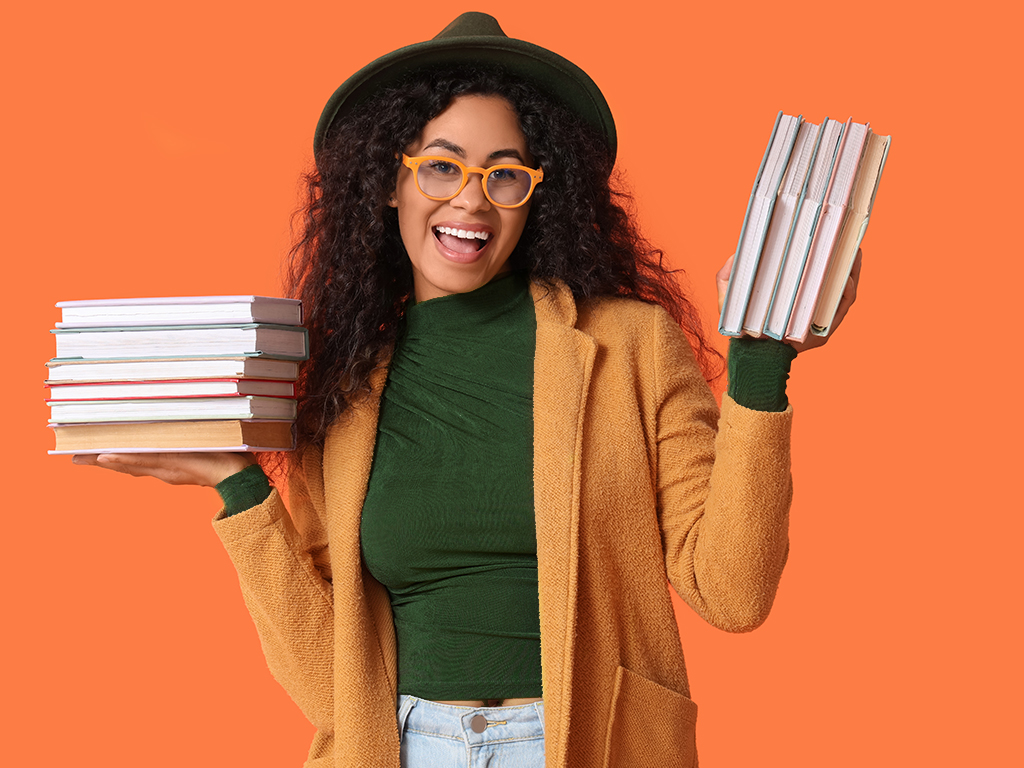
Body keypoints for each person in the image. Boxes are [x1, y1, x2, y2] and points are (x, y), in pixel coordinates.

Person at [73, 12, 860, 768]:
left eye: (505, 174)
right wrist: (237, 487)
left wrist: (762, 363)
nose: (472, 200)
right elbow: (330, 686)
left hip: (588, 746)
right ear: (390, 181)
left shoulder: (630, 346)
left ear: (536, 195)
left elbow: (732, 592)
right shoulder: (338, 383)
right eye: (442, 166)